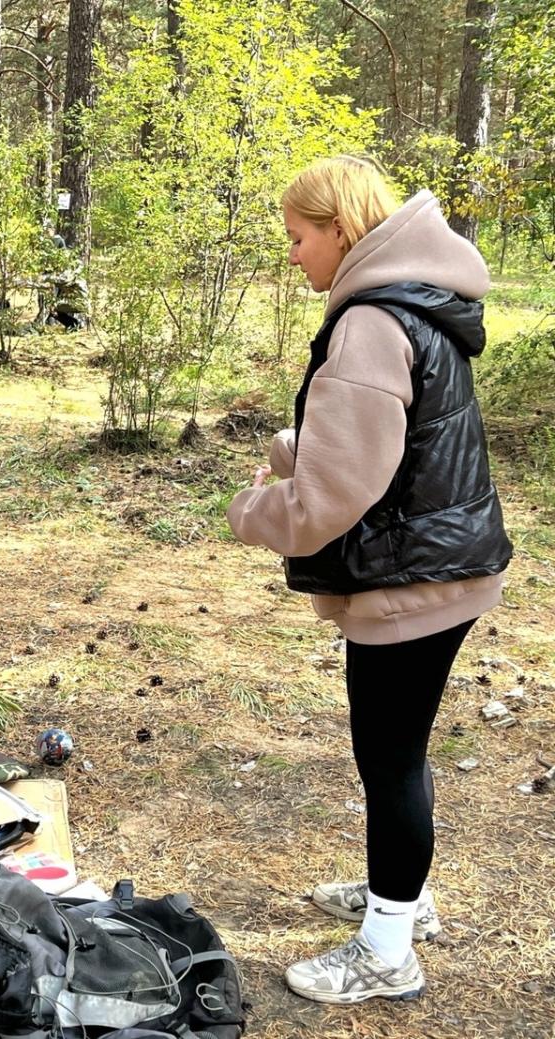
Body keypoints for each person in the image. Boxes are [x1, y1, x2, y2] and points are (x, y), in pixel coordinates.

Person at [227, 155, 511, 1004]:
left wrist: (253, 507)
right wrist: (299, 444)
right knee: (401, 752)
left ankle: (388, 947)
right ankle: (404, 895)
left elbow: (333, 497)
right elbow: (396, 440)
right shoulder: (419, 299)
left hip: (413, 580)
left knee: (387, 759)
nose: (294, 255)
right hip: (447, 562)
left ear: (342, 231)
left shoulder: (369, 320)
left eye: (299, 237)